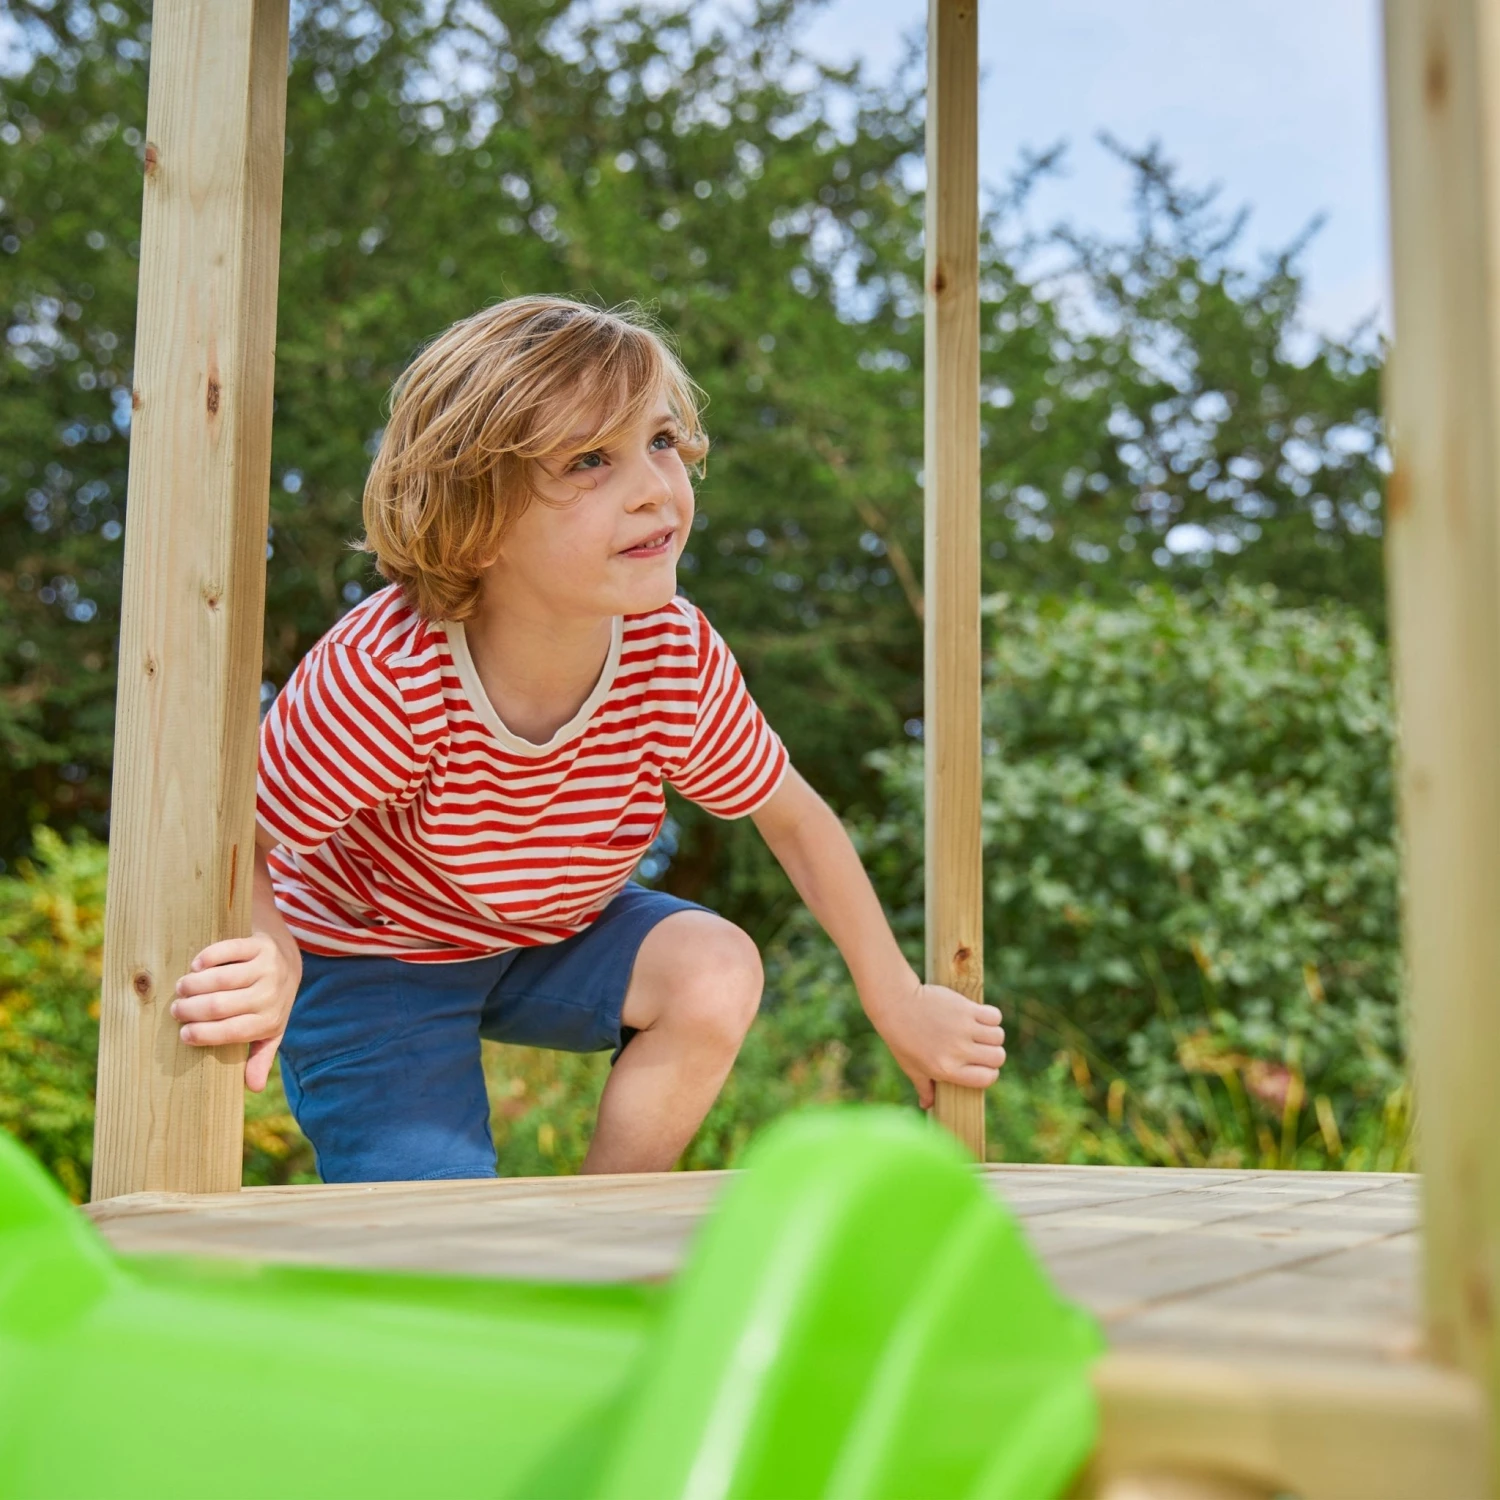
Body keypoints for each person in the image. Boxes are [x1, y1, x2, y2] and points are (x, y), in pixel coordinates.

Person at [168, 295, 1006, 1182]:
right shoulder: (388, 677)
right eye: (590, 460)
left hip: (550, 930)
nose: (655, 486)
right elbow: (238, 839)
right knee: (431, 1241)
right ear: (474, 517)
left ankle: (609, 1218)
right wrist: (270, 942)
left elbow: (795, 820)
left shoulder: (671, 653)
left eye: (661, 441)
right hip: (376, 954)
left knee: (715, 968)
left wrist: (899, 999)